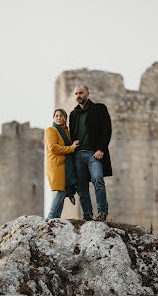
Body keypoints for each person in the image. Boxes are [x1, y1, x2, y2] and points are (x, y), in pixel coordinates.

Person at [70, 85, 112, 221]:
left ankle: (102, 213)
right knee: (82, 189)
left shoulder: (99, 109)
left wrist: (101, 149)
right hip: (78, 155)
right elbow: (71, 134)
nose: (78, 96)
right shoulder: (73, 114)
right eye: (76, 93)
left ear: (87, 93)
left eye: (81, 93)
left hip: (94, 154)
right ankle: (87, 217)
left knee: (98, 179)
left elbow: (107, 130)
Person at [45, 109, 80, 218]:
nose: (59, 118)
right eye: (56, 116)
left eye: (61, 116)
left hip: (65, 166)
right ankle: (50, 217)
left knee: (64, 191)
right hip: (56, 165)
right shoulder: (51, 130)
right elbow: (53, 147)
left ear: (65, 118)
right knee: (61, 191)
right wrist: (71, 148)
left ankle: (57, 218)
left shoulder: (67, 132)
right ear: (54, 118)